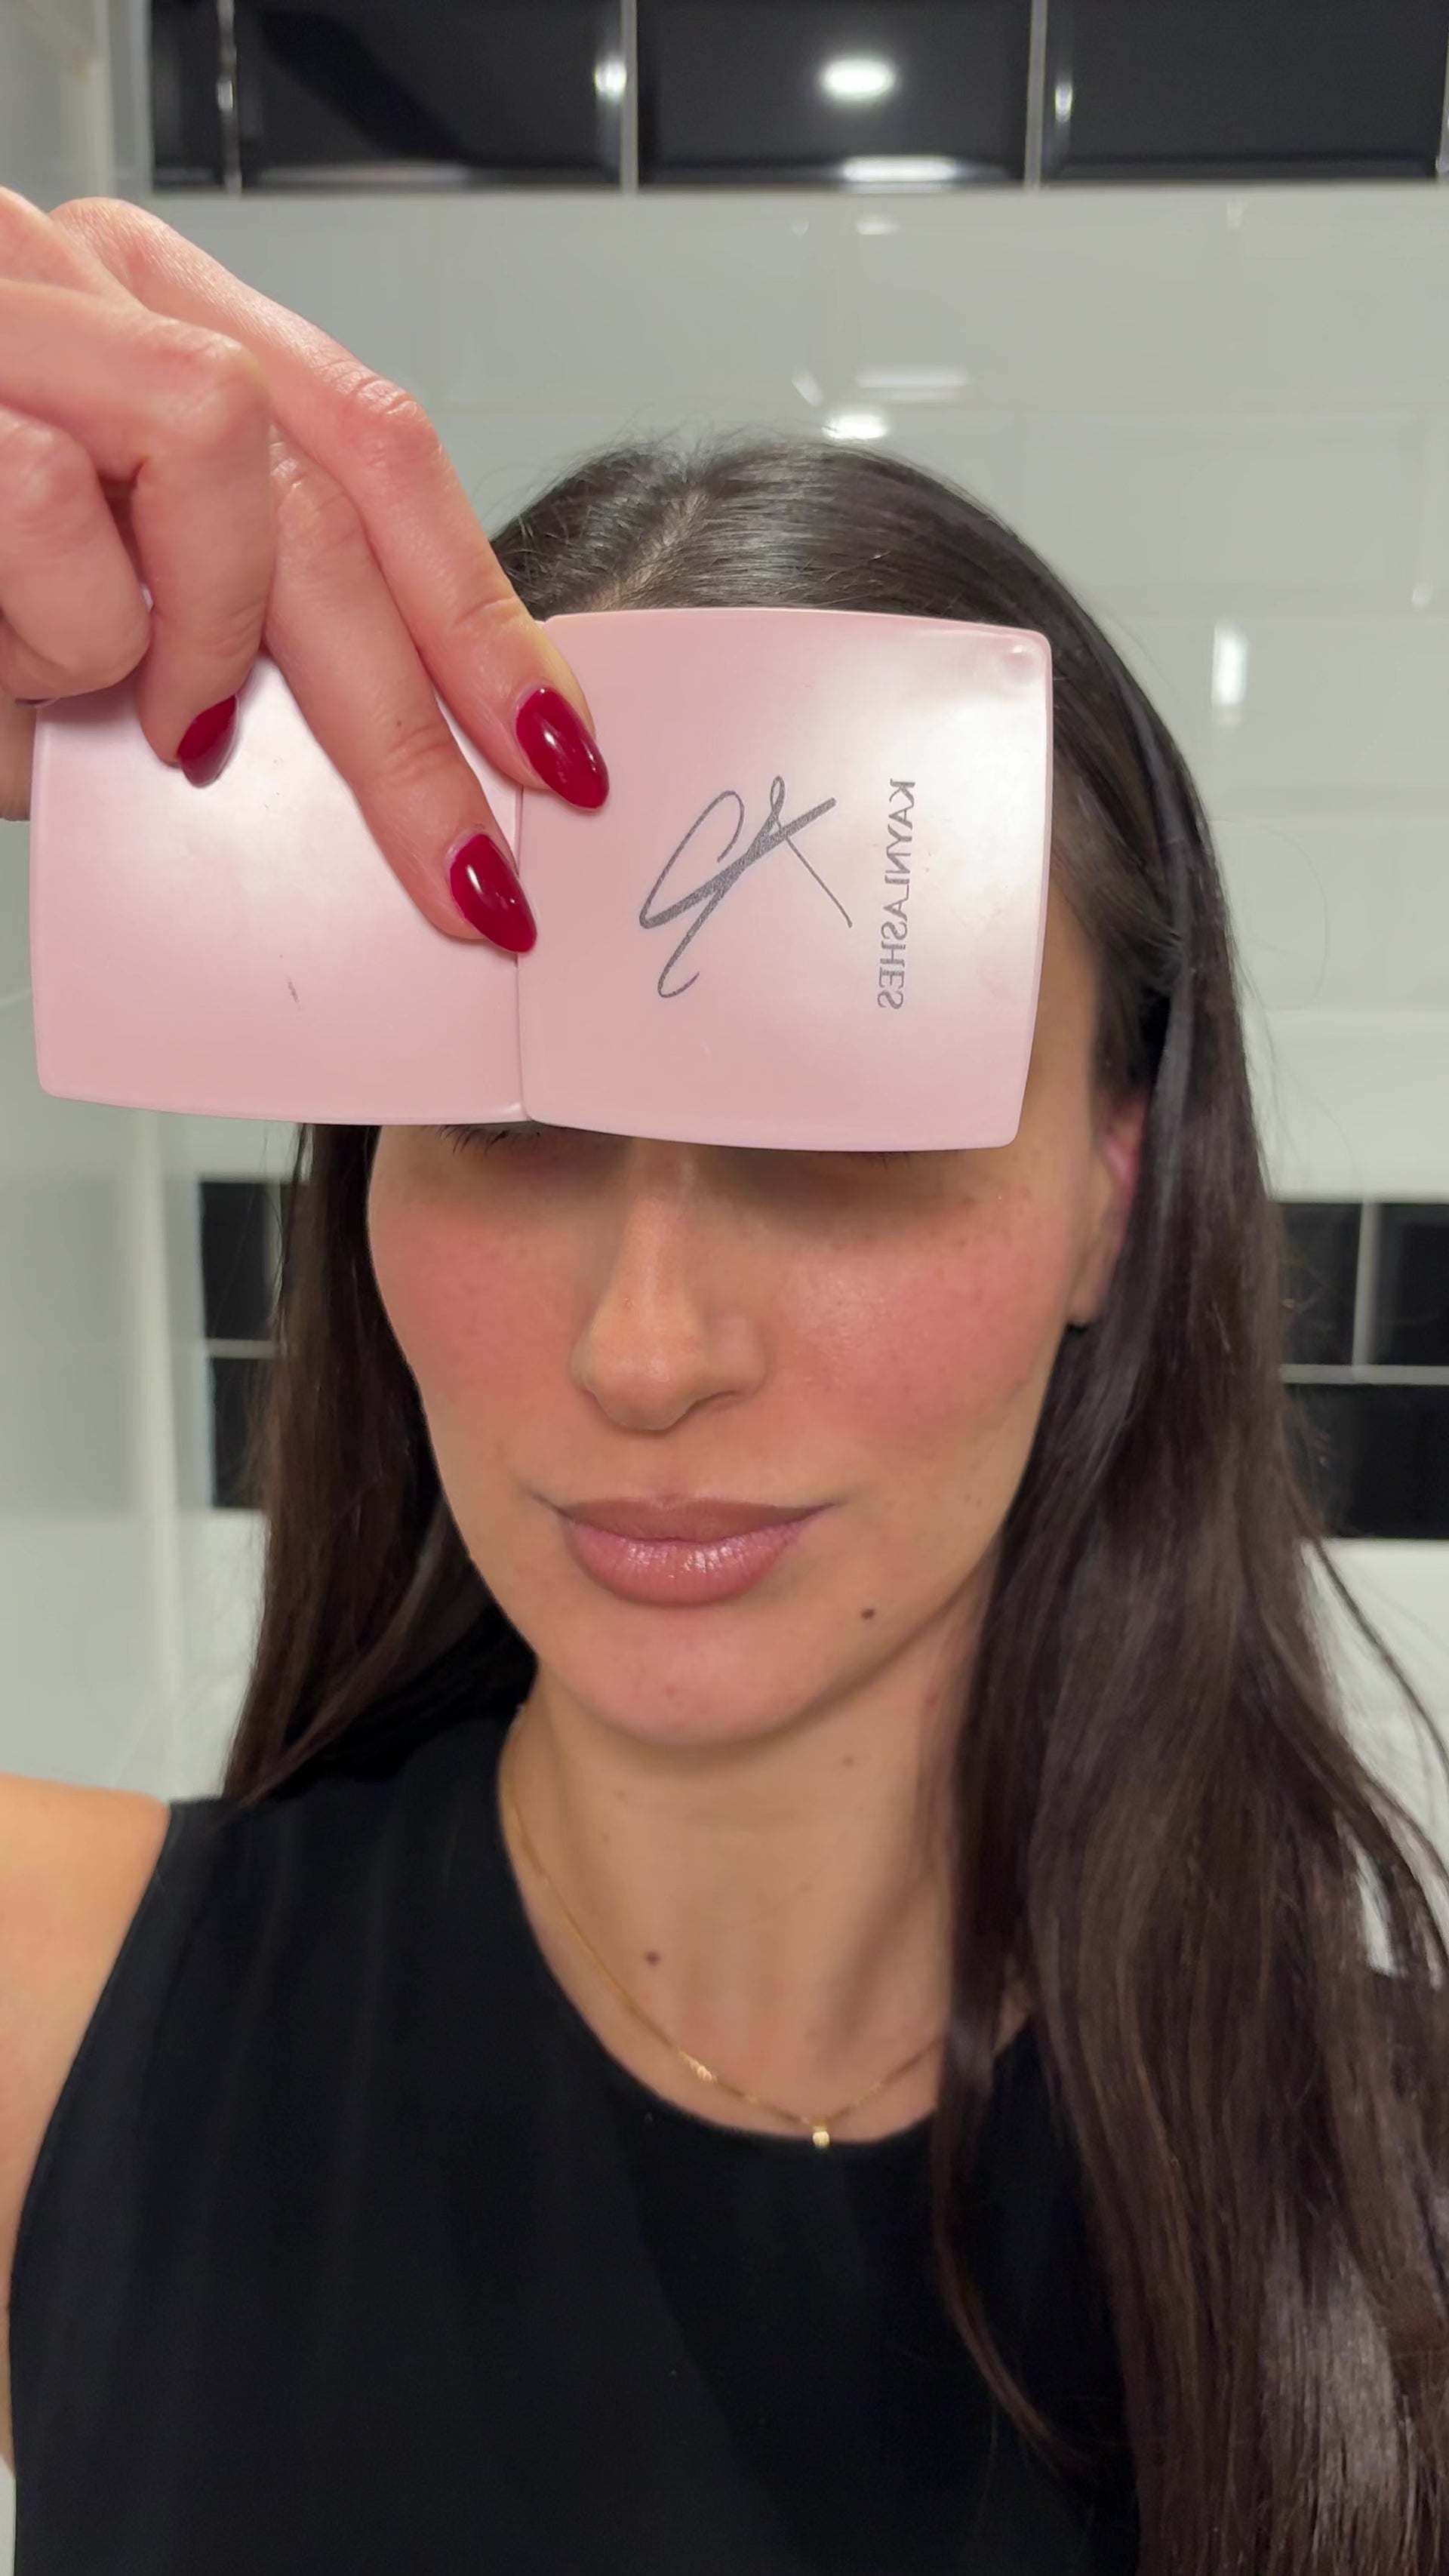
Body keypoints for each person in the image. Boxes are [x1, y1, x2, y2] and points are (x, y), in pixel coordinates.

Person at [0, 189, 1446, 2576]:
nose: (646, 1351)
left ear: (1114, 1189)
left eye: (839, 1148)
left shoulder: (1403, 2211)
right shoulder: (55, 2019)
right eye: (507, 1129)